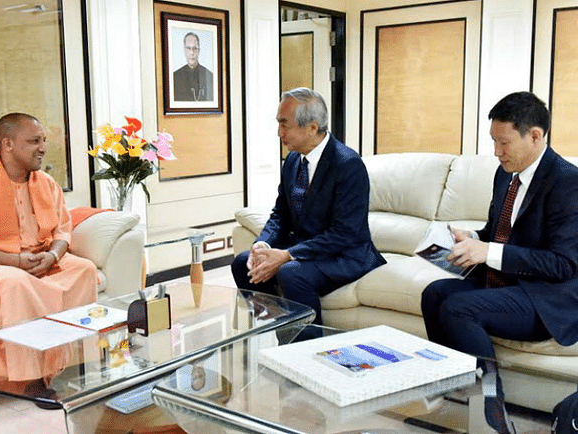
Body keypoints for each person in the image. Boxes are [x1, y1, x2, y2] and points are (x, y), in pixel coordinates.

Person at [421, 91, 578, 434]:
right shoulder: (504, 174)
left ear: (535, 136)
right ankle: (454, 398)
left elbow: (564, 264)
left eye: (504, 142)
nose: (496, 151)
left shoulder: (568, 182)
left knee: (459, 308)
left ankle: (492, 413)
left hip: (545, 298)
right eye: (493, 141)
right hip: (507, 283)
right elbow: (497, 232)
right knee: (434, 294)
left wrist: (489, 252)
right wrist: (473, 239)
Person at [232, 87, 386, 324]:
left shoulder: (347, 164)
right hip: (306, 248)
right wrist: (263, 244)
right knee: (243, 263)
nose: (278, 132)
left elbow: (345, 234)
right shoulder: (293, 160)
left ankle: (308, 346)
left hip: (346, 254)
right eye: (278, 123)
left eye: (285, 125)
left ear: (312, 127)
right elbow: (280, 214)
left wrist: (287, 255)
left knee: (290, 273)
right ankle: (280, 328)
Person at [0, 113, 98, 328]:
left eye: (43, 140)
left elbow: (62, 231)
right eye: (34, 141)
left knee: (85, 269)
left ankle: (76, 354)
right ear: (8, 144)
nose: (43, 148)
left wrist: (53, 256)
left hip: (41, 256)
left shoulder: (47, 183)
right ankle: (24, 358)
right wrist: (16, 261)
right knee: (15, 282)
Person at [173, 32, 214, 102]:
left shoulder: (210, 76)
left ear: (199, 51)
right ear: (184, 50)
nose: (192, 53)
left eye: (195, 48)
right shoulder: (175, 77)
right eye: (188, 48)